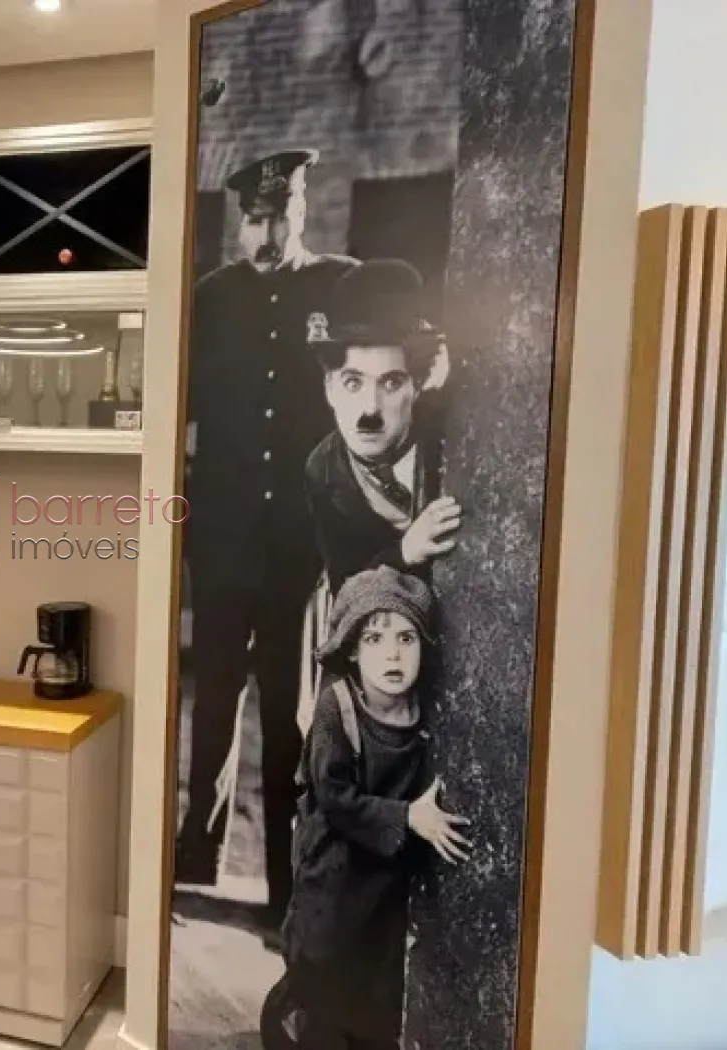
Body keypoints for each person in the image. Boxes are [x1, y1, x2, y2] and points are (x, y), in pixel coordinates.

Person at [177, 147, 360, 928]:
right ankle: (194, 858)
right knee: (212, 700)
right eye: (253, 219)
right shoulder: (211, 298)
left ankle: (286, 886)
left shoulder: (339, 287)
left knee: (289, 714)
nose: (266, 234)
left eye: (278, 216)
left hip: (297, 545)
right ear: (239, 223)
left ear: (301, 212)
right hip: (222, 538)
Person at [260, 565, 471, 1050]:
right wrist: (406, 817)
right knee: (320, 972)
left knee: (372, 985)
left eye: (406, 638)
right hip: (332, 873)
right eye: (375, 639)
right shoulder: (337, 708)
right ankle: (288, 1019)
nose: (392, 653)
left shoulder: (422, 712)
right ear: (352, 650)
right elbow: (333, 795)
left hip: (382, 879)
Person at [305, 259, 459, 595]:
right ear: (330, 389)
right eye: (353, 383)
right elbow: (345, 580)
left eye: (391, 383)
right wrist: (404, 552)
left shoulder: (449, 441)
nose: (370, 409)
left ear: (417, 386)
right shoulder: (324, 468)